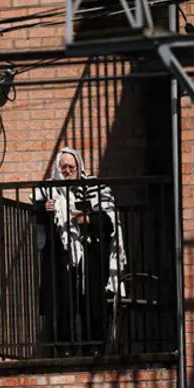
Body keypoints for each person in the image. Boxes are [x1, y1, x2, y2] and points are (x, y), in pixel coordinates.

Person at [32, 147, 127, 357]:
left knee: (92, 300)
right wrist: (45, 209)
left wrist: (86, 219)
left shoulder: (95, 187)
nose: (67, 171)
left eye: (71, 167)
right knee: (62, 301)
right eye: (63, 167)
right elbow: (35, 213)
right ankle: (64, 347)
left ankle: (94, 346)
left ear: (79, 166)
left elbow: (109, 221)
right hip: (60, 255)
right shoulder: (49, 190)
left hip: (91, 253)